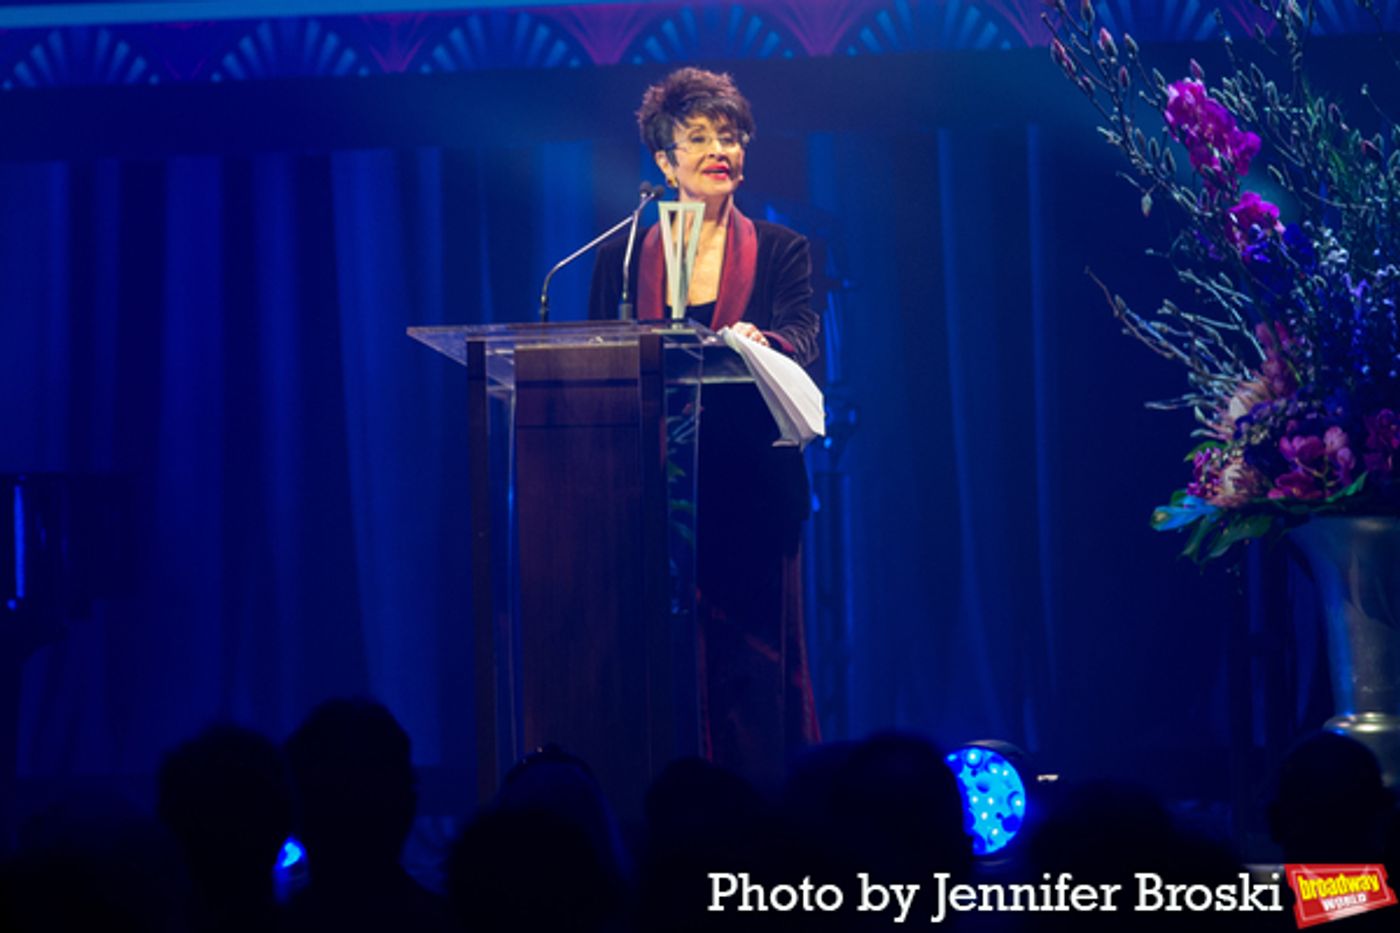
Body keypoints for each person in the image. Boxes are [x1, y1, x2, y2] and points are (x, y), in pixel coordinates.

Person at [589, 67, 820, 783]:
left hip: (751, 489)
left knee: (751, 676)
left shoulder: (782, 249)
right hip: (653, 496)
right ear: (665, 163)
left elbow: (805, 336)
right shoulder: (621, 255)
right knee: (662, 670)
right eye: (700, 138)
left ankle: (764, 814)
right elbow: (598, 357)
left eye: (732, 136)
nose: (722, 150)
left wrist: (760, 342)